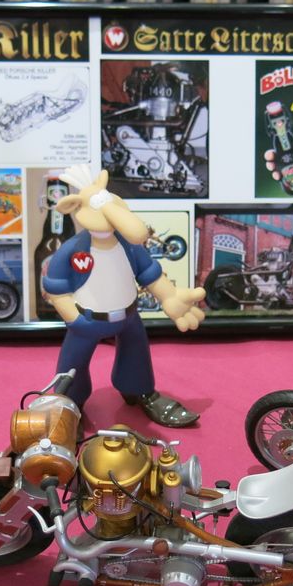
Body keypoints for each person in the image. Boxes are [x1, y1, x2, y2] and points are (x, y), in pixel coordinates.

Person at [42, 164, 204, 427]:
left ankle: (140, 391)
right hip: (86, 321)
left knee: (136, 354)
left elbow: (149, 273)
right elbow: (57, 289)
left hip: (128, 316)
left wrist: (169, 297)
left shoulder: (129, 246)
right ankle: (69, 406)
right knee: (72, 366)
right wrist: (74, 318)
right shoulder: (71, 251)